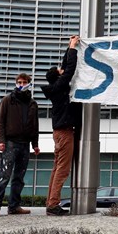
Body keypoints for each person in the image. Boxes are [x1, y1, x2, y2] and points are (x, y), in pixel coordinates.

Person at [0, 73, 40, 218]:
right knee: (4, 175)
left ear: (29, 84)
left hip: (25, 145)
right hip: (10, 143)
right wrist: (0, 141)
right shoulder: (7, 100)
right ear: (15, 83)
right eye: (19, 82)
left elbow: (35, 126)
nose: (21, 84)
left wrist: (35, 144)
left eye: (24, 82)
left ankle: (14, 206)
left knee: (19, 177)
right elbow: (0, 122)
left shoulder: (32, 104)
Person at [41, 35, 82, 216]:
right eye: (59, 71)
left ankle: (50, 202)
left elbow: (65, 67)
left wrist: (68, 47)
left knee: (56, 168)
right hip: (64, 133)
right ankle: (53, 204)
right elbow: (70, 69)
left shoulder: (56, 88)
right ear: (57, 77)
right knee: (62, 170)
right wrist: (73, 47)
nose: (62, 70)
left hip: (59, 132)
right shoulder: (59, 87)